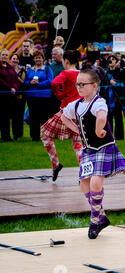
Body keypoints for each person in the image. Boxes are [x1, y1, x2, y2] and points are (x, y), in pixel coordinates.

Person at [61, 68, 125, 239]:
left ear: (94, 85)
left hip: (103, 147)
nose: (79, 87)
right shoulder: (76, 105)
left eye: (82, 84)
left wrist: (99, 130)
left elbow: (101, 117)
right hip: (88, 149)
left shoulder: (99, 102)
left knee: (95, 182)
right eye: (77, 84)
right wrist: (76, 129)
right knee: (83, 183)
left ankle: (94, 220)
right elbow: (63, 116)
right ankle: (101, 216)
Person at [40, 50, 83, 181]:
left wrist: (60, 96)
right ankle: (84, 172)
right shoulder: (81, 74)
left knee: (45, 133)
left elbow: (54, 84)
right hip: (80, 111)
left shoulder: (65, 73)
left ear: (66, 61)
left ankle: (56, 164)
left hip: (67, 110)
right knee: (77, 143)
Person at [23, 50, 54, 141]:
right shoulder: (30, 70)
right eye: (36, 58)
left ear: (43, 59)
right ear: (34, 59)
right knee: (33, 117)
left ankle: (45, 135)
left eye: (39, 57)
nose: (38, 59)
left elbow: (50, 81)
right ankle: (34, 136)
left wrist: (39, 84)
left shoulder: (47, 69)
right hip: (31, 96)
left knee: (43, 117)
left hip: (44, 96)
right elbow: (25, 82)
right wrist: (30, 82)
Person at [0, 49, 19, 142]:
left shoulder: (10, 67)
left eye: (6, 55)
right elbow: (0, 81)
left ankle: (7, 137)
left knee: (7, 117)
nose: (4, 56)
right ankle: (3, 136)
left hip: (10, 97)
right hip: (2, 96)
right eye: (3, 55)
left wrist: (14, 87)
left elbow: (16, 79)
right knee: (2, 117)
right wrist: (9, 88)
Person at [105, 54, 124, 140]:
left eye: (113, 59)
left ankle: (119, 136)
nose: (111, 61)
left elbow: (123, 85)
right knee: (108, 118)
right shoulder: (105, 73)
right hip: (107, 98)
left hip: (117, 98)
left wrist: (115, 84)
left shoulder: (120, 72)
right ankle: (109, 136)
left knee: (118, 118)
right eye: (109, 59)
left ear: (116, 62)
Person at [9, 53, 26, 140]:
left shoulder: (22, 70)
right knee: (10, 116)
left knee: (19, 116)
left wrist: (17, 78)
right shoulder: (7, 69)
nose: (15, 60)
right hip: (9, 96)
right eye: (13, 58)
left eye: (16, 59)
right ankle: (8, 135)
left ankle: (18, 135)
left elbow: (24, 82)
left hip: (20, 96)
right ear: (10, 59)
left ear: (19, 61)